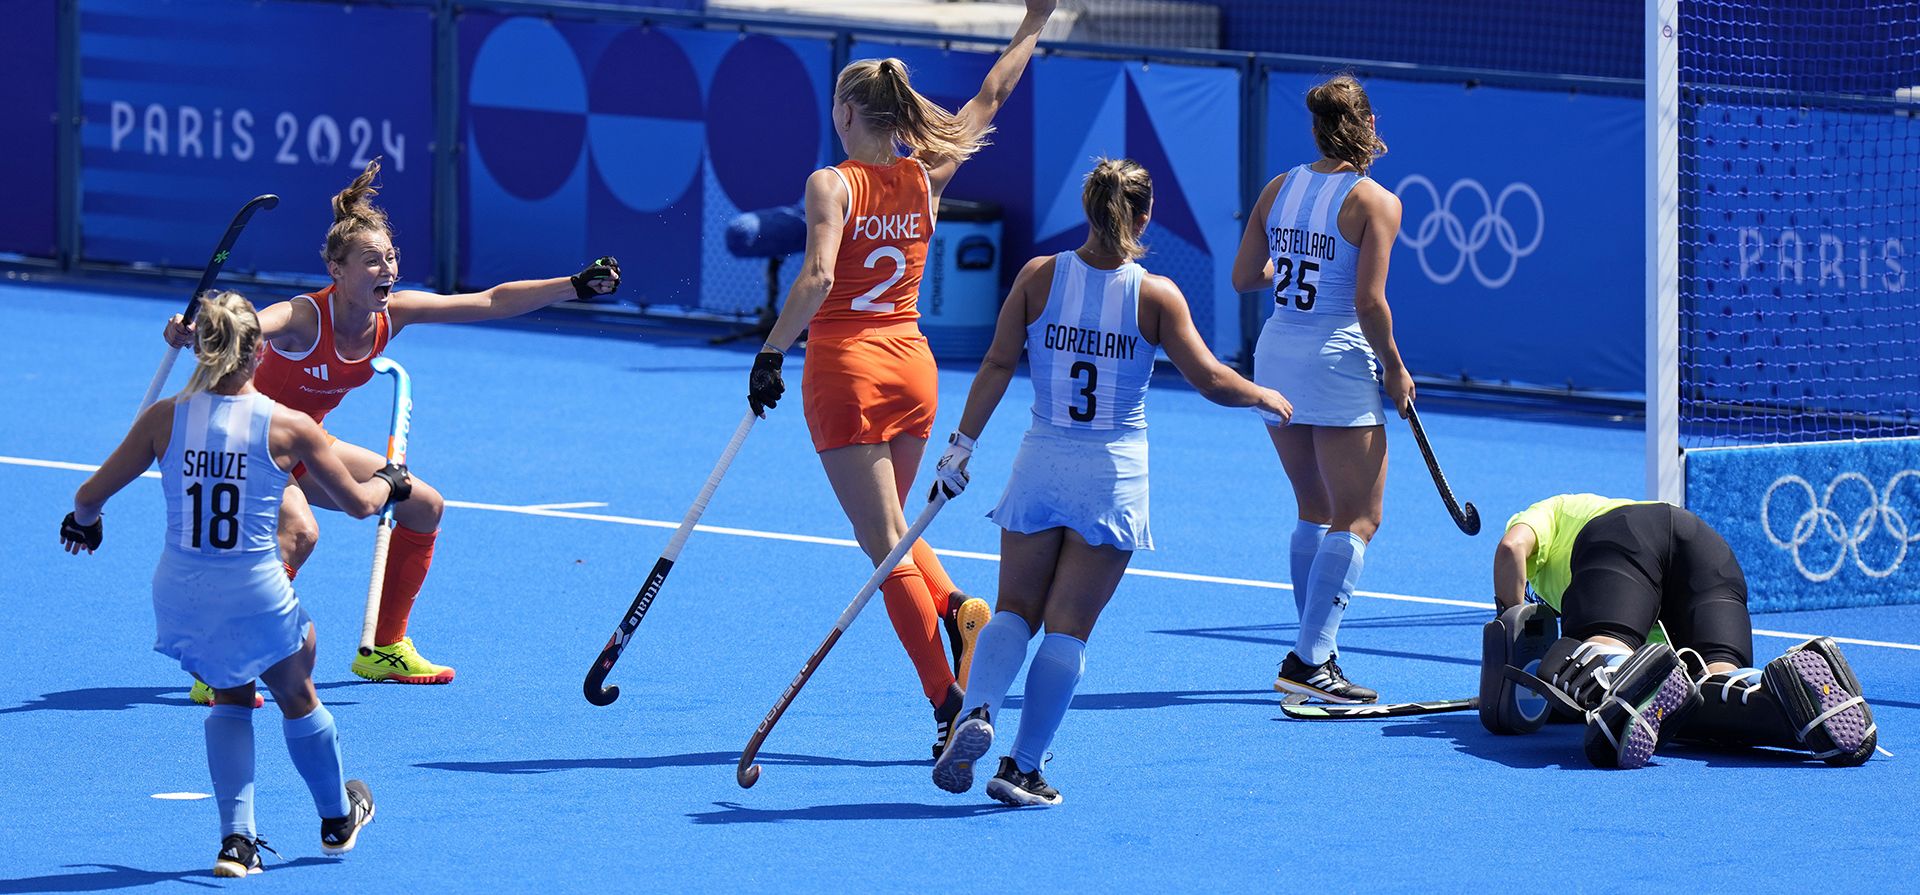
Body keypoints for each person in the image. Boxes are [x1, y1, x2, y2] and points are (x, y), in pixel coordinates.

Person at [164, 158, 620, 700]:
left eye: (391, 257)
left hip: (303, 441)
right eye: (371, 261)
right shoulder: (305, 317)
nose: (387, 269)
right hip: (245, 440)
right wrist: (198, 333)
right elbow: (249, 325)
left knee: (423, 505)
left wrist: (573, 286)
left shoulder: (392, 314)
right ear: (336, 270)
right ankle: (221, 660)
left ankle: (383, 648)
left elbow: (490, 301)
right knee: (301, 534)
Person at [926, 158, 1294, 806]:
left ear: (1085, 208)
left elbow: (996, 361)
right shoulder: (1155, 295)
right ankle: (1023, 767)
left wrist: (960, 447)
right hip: (1111, 472)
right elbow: (1209, 377)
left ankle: (977, 707)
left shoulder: (1039, 277)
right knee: (1067, 628)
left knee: (1014, 609)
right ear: (1146, 216)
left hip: (1041, 459)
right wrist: (1263, 393)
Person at [744, 0, 1056, 757]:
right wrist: (1034, 23)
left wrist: (771, 350)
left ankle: (948, 703)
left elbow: (818, 277)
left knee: (883, 543)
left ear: (850, 112)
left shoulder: (832, 183)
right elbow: (991, 97)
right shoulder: (928, 176)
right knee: (894, 525)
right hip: (913, 367)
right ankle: (957, 608)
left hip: (846, 367)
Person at [65, 292, 397, 875]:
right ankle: (337, 817)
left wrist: (85, 526)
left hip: (179, 595)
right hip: (255, 591)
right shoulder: (290, 426)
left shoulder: (165, 417)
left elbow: (88, 499)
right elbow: (362, 503)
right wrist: (391, 482)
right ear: (260, 351)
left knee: (231, 694)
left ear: (202, 347)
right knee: (297, 691)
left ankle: (236, 842)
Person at [1229, 75, 1412, 704]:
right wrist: (1394, 366)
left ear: (1316, 128)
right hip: (1335, 359)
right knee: (1360, 516)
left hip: (1276, 354)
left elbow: (1244, 277)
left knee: (1315, 510)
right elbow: (1368, 301)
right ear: (1367, 125)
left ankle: (1316, 651)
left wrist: (1293, 262)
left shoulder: (1278, 188)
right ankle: (1309, 659)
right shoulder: (1375, 201)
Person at [1488, 493, 1878, 769]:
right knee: (1712, 680)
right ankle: (1796, 703)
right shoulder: (1644, 600)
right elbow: (1666, 675)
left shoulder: (1550, 510)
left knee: (1595, 652)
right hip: (1707, 548)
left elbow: (1510, 547)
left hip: (1623, 535)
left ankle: (1611, 662)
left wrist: (1510, 614)